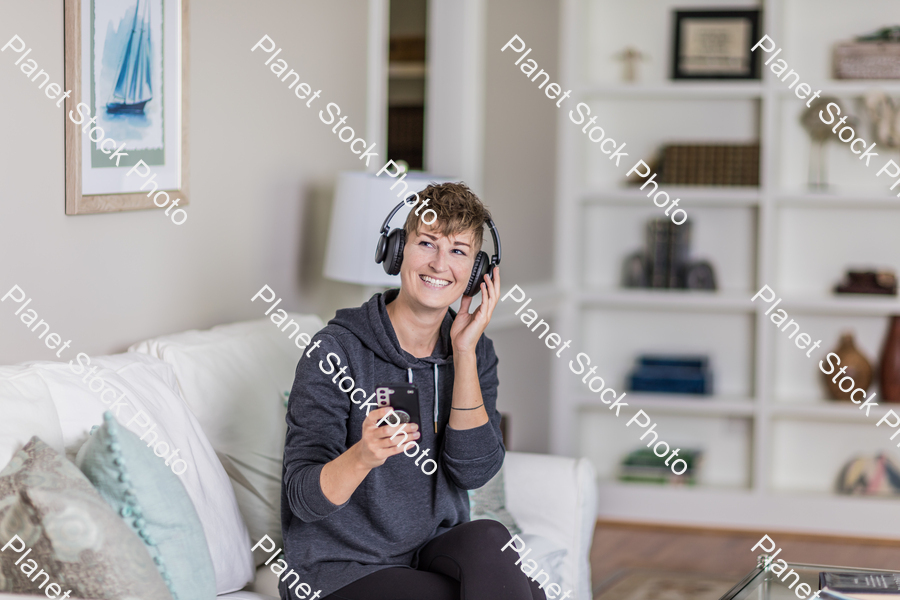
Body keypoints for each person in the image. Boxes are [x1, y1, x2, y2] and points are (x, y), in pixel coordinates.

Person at [280, 182, 545, 600]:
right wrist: (363, 455)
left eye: (458, 250)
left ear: (477, 272)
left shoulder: (476, 352)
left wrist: (464, 352)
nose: (440, 264)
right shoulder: (335, 351)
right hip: (341, 568)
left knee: (492, 540)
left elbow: (473, 472)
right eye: (427, 243)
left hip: (426, 551)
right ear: (398, 250)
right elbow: (303, 499)